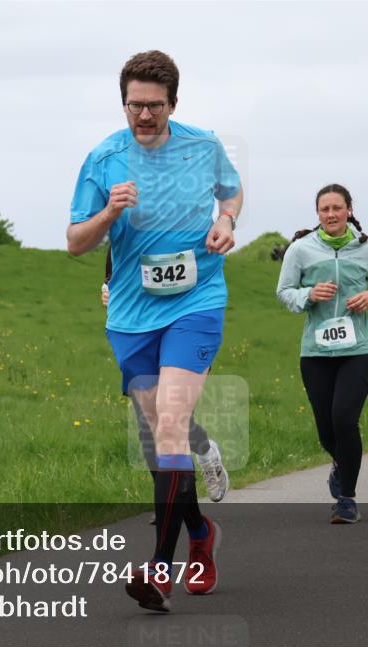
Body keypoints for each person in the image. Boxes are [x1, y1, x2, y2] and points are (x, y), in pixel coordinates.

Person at [68, 50, 242, 612]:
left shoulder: (203, 145)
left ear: (173, 103)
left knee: (171, 424)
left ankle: (158, 570)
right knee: (161, 438)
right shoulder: (103, 159)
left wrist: (226, 220)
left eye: (155, 106)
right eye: (135, 105)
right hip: (130, 315)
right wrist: (108, 214)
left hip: (196, 299)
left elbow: (231, 191)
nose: (144, 116)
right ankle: (201, 535)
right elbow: (76, 241)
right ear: (123, 102)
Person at [276, 184, 368, 524]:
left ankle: (347, 498)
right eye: (324, 209)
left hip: (358, 349)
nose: (330, 214)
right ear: (317, 213)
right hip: (316, 352)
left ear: (348, 210)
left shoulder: (366, 250)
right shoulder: (300, 250)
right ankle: (340, 464)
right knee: (326, 430)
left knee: (345, 419)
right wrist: (308, 294)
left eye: (336, 208)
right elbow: (284, 292)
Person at [101, 253, 230, 507]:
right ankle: (169, 498)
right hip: (139, 332)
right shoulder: (127, 229)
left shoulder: (185, 229)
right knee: (149, 426)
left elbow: (204, 273)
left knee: (171, 417)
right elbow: (113, 278)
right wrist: (109, 294)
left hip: (182, 329)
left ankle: (179, 498)